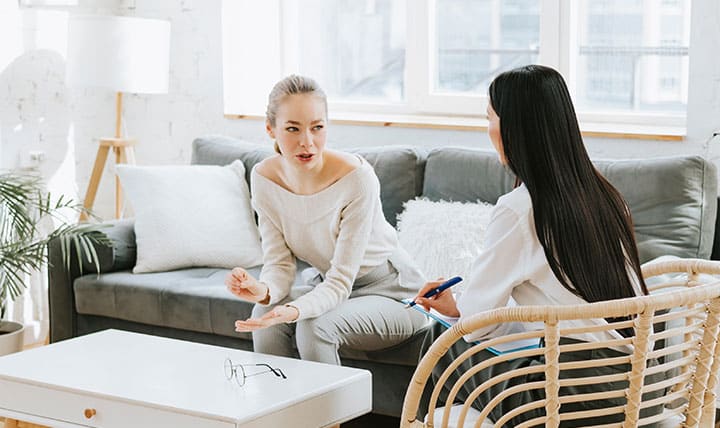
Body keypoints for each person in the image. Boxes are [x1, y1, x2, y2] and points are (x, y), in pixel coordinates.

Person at [411, 65, 663, 426]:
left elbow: (477, 327)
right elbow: (575, 312)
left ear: (514, 129)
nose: (488, 130)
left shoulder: (518, 209)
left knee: (443, 338)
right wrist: (463, 310)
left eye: (489, 118)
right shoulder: (607, 196)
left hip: (578, 396)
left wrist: (457, 314)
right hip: (643, 385)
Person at [225, 74, 427, 365]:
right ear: (271, 129)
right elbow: (280, 265)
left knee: (314, 325)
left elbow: (340, 281)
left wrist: (295, 310)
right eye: (292, 129)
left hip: (395, 295)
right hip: (332, 288)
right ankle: (276, 410)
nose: (307, 142)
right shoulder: (263, 178)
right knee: (263, 314)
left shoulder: (356, 178)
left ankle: (326, 413)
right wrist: (262, 290)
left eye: (317, 128)